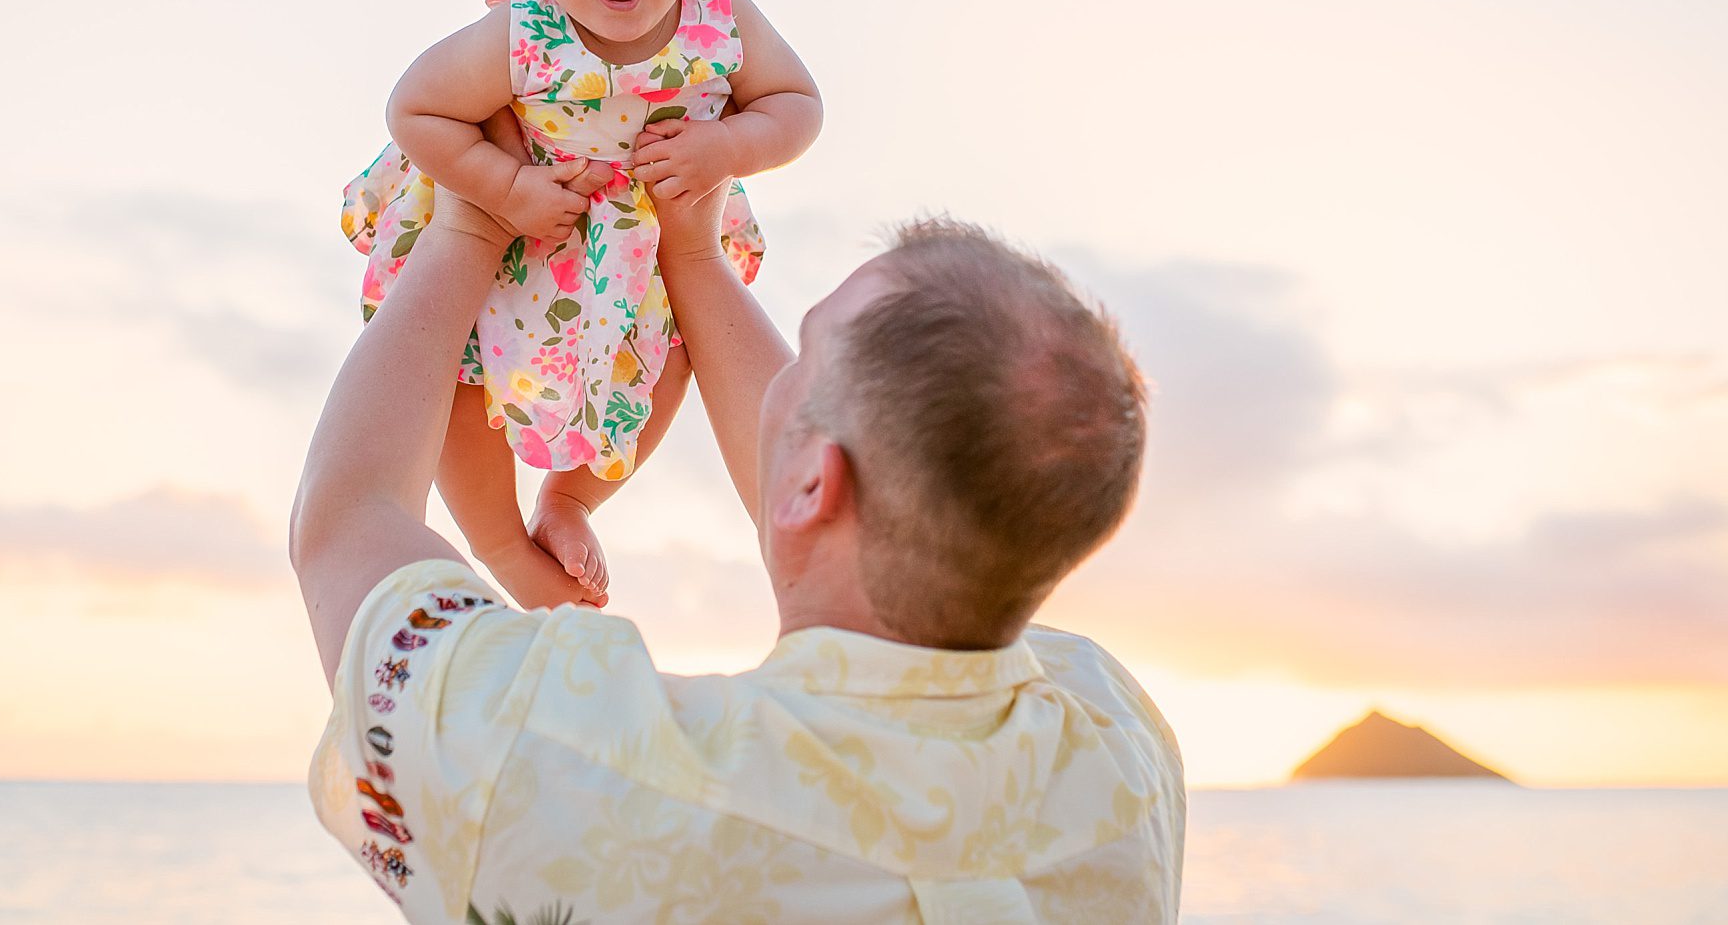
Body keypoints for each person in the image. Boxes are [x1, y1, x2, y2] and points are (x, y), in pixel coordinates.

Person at [291, 175, 1187, 922]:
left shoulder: (579, 767)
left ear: (814, 486)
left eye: (801, 353)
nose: (774, 381)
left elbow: (345, 526)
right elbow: (883, 507)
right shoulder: (1123, 757)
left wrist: (465, 225)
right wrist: (692, 251)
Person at [339, 0, 821, 611]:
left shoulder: (723, 20)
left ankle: (570, 499)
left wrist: (726, 145)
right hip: (515, 236)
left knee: (672, 363)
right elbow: (415, 109)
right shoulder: (522, 33)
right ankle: (499, 541)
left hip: (635, 248)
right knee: (457, 379)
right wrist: (506, 187)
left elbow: (798, 106)